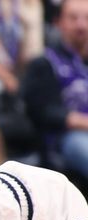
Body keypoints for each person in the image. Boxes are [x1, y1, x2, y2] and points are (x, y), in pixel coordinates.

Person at [22, 0, 88, 180]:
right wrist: (82, 122)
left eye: (86, 18)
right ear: (58, 22)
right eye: (73, 18)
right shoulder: (45, 63)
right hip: (65, 140)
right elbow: (44, 111)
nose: (81, 25)